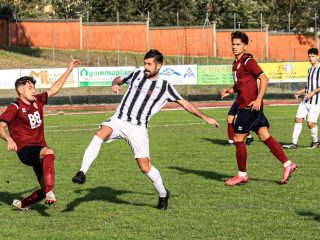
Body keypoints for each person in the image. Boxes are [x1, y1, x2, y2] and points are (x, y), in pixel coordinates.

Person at [72, 49, 220, 210]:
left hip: (138, 128)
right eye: (145, 63)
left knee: (145, 167)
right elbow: (118, 79)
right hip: (119, 120)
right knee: (100, 133)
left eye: (149, 64)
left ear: (159, 66)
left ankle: (163, 194)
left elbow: (185, 103)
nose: (146, 67)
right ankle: (82, 172)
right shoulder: (136, 74)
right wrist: (114, 84)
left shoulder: (164, 86)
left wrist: (205, 117)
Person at [0, 59, 81, 210]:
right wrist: (9, 139)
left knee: (42, 189)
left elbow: (54, 89)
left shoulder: (37, 100)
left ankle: (22, 204)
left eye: (34, 87)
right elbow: (0, 127)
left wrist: (69, 69)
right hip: (25, 150)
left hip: (38, 149)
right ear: (20, 90)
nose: (33, 89)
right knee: (49, 152)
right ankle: (50, 192)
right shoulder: (15, 107)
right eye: (29, 87)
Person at [220, 31, 296, 186]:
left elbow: (264, 78)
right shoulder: (236, 64)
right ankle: (288, 164)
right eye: (233, 44)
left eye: (238, 44)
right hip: (248, 106)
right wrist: (230, 90)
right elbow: (241, 84)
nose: (235, 47)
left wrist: (258, 99)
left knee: (238, 139)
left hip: (249, 107)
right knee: (264, 136)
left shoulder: (248, 61)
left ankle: (242, 174)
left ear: (245, 46)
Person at [282, 48, 320, 149]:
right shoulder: (310, 69)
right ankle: (293, 144)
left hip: (316, 100)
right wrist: (300, 91)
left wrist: (312, 93)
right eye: (310, 56)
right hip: (306, 99)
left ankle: (315, 142)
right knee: (298, 119)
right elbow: (310, 86)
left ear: (317, 57)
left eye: (313, 56)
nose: (311, 58)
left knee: (310, 123)